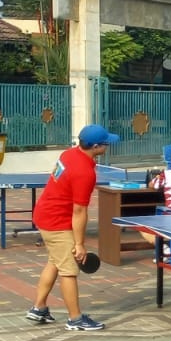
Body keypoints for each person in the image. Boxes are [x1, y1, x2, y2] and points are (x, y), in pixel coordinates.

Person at [26, 124, 119, 330]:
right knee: (69, 271)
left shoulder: (69, 154)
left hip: (45, 214)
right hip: (57, 221)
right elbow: (79, 211)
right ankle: (75, 319)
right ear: (96, 147)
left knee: (55, 261)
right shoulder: (84, 173)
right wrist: (79, 244)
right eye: (106, 143)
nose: (108, 146)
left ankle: (39, 308)